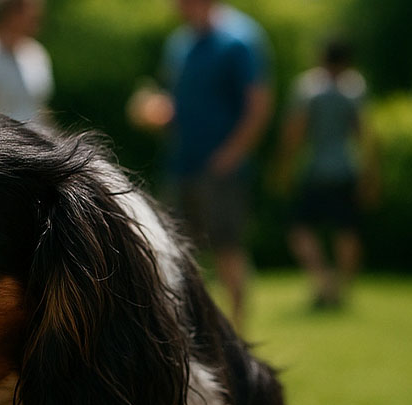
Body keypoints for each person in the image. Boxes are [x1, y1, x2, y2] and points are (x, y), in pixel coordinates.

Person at [129, 0, 272, 331]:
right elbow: (179, 106)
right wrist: (158, 113)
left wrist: (232, 154)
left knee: (227, 248)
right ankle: (188, 330)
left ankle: (238, 333)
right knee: (174, 251)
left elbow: (259, 104)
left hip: (222, 168)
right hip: (181, 165)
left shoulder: (241, 39)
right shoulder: (179, 43)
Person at [277, 39, 377, 309]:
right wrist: (371, 174)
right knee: (347, 231)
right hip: (346, 168)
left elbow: (295, 130)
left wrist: (284, 165)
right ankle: (340, 290)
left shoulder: (309, 88)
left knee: (300, 230)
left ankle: (322, 281)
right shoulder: (355, 88)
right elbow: (365, 135)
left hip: (315, 169)